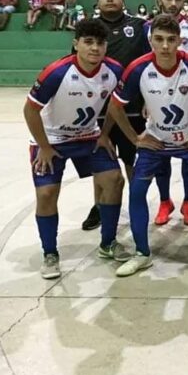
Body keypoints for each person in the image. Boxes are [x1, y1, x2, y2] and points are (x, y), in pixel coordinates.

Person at [108, 14, 188, 278]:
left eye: (171, 40)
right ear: (150, 40)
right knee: (137, 191)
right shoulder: (137, 68)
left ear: (180, 41)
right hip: (155, 140)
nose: (164, 46)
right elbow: (115, 106)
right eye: (159, 39)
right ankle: (142, 253)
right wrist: (136, 138)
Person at [22, 19, 127, 279]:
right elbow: (30, 109)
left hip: (88, 136)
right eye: (88, 42)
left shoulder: (113, 70)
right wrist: (44, 147)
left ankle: (108, 243)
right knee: (46, 193)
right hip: (51, 139)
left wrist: (104, 135)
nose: (94, 48)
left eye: (100, 43)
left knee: (114, 179)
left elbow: (115, 105)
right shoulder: (56, 72)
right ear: (76, 44)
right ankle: (50, 253)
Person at [80, 0, 151, 232]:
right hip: (97, 112)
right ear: (97, 1)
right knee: (102, 163)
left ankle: (136, 205)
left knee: (134, 161)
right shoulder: (89, 29)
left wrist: (147, 102)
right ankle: (99, 206)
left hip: (131, 109)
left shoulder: (139, 26)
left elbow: (147, 64)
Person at [144, 0, 188, 227]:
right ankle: (165, 200)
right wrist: (146, 99)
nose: (173, 3)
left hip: (186, 95)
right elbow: (143, 66)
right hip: (156, 95)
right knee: (160, 150)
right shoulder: (146, 27)